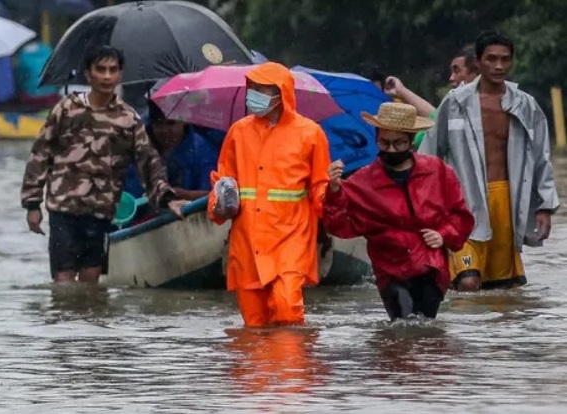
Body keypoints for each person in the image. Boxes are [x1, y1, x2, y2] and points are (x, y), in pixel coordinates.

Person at [20, 46, 188, 284]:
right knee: (64, 284)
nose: (107, 76)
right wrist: (32, 204)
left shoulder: (128, 118)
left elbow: (148, 161)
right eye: (101, 70)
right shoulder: (66, 109)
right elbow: (40, 154)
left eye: (113, 70)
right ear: (88, 74)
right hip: (63, 211)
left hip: (101, 213)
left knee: (90, 283)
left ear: (120, 74)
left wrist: (168, 198)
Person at [419, 31, 560, 291]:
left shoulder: (525, 105)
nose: (498, 66)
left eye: (505, 60)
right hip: (462, 202)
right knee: (469, 282)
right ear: (478, 62)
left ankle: (490, 333)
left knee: (502, 290)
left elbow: (540, 157)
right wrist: (425, 204)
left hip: (507, 200)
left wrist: (544, 206)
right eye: (491, 59)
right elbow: (429, 155)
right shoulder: (455, 103)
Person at [323, 102, 475, 321]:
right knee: (402, 325)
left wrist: (444, 235)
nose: (391, 150)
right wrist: (334, 191)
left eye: (399, 143)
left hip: (431, 267)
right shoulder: (361, 182)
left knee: (425, 327)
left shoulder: (438, 171)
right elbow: (339, 226)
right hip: (390, 270)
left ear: (411, 141)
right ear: (376, 139)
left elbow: (461, 216)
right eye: (384, 143)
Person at [208, 62, 330, 328]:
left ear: (280, 93)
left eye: (261, 89)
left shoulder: (310, 134)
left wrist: (334, 192)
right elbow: (222, 181)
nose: (253, 94)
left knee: (288, 312)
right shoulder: (238, 132)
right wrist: (217, 207)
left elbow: (319, 188)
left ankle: (292, 369)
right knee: (253, 326)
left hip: (290, 240)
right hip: (247, 243)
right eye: (251, 88)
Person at [386, 45, 480, 148]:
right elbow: (435, 116)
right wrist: (401, 91)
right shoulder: (452, 110)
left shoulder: (484, 113)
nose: (451, 78)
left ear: (477, 72)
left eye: (457, 71)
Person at [125, 101, 220, 201]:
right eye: (158, 123)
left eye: (170, 123)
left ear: (185, 120)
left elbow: (214, 194)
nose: (164, 130)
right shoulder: (140, 149)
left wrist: (186, 195)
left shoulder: (203, 151)